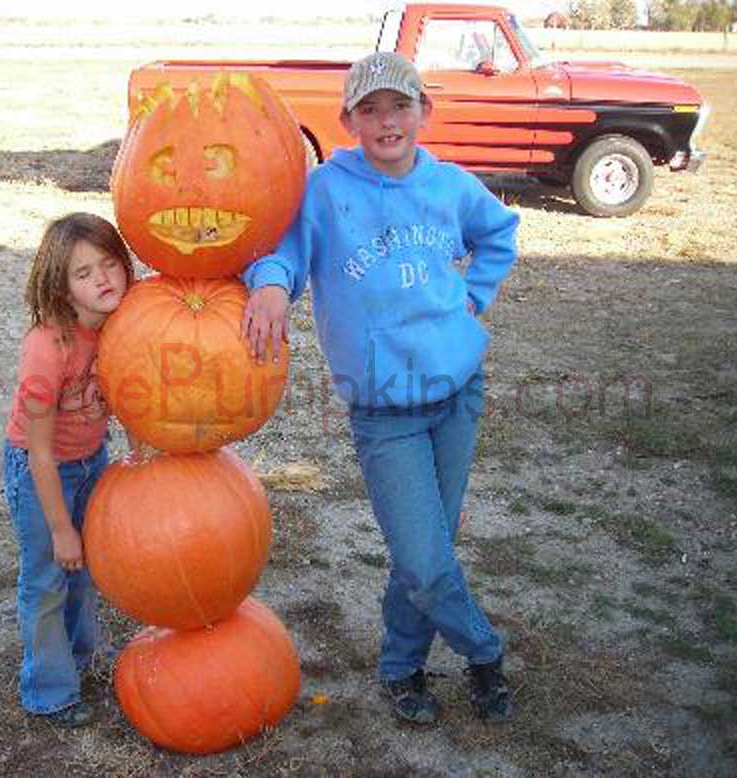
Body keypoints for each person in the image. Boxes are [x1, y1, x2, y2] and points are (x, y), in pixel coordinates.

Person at [241, 52, 518, 724]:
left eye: (400, 106)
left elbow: (500, 234)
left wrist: (473, 298)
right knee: (425, 557)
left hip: (457, 391)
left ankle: (401, 666)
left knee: (426, 546)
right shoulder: (325, 190)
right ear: (347, 120)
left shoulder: (450, 186)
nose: (387, 120)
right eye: (371, 109)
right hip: (384, 408)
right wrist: (273, 284)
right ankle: (484, 651)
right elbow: (281, 249)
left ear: (424, 110)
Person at [2, 212, 134, 727]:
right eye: (84, 274)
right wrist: (60, 528)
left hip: (91, 458)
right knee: (49, 575)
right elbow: (38, 453)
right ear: (61, 286)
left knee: (85, 569)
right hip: (40, 469)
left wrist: (140, 460)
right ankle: (49, 690)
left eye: (109, 264)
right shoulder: (47, 347)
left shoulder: (124, 326)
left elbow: (128, 398)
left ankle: (82, 659)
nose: (102, 279)